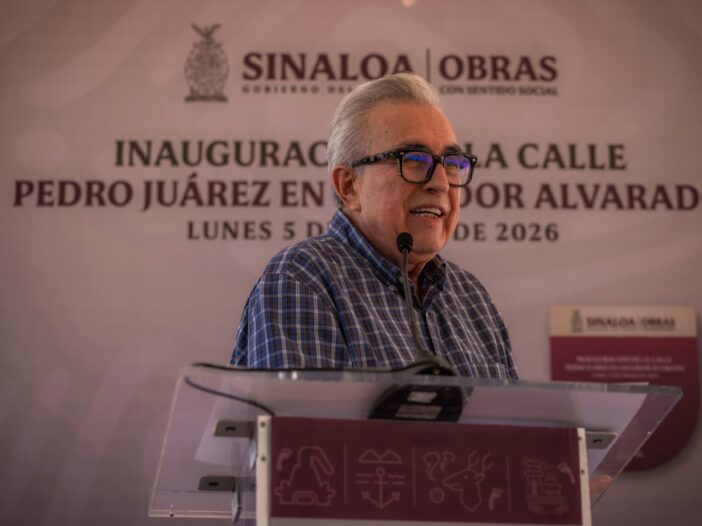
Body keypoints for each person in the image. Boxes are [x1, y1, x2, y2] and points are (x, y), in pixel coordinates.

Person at [231, 73, 518, 379]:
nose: (440, 183)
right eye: (414, 159)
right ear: (349, 186)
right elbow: (304, 411)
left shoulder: (471, 297)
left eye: (451, 163)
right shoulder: (303, 278)